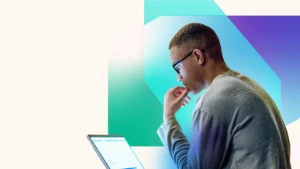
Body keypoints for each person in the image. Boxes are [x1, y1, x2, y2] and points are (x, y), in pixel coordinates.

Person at [157, 23, 291, 169]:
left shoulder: (215, 98)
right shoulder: (250, 85)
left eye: (178, 68)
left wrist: (168, 116)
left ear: (198, 56)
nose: (179, 77)